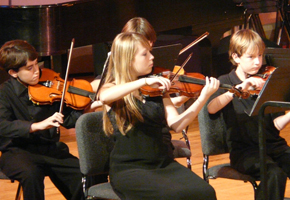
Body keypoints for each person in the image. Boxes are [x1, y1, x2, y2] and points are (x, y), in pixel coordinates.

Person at [98, 32, 219, 200]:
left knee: (205, 192)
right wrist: (143, 82)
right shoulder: (113, 88)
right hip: (130, 170)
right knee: (174, 195)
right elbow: (103, 97)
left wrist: (202, 98)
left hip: (163, 164)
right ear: (128, 59)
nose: (152, 57)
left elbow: (177, 125)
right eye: (145, 54)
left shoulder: (157, 88)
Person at [207, 29, 290, 200]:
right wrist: (239, 89)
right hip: (245, 152)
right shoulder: (225, 82)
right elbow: (211, 108)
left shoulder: (268, 80)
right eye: (251, 57)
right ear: (236, 57)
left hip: (274, 146)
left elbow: (275, 125)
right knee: (274, 174)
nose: (258, 62)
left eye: (260, 55)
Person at [0, 40, 85, 200]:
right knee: (31, 174)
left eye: (36, 64)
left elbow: (67, 119)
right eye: (29, 68)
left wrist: (87, 107)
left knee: (83, 173)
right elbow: (2, 126)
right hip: (17, 152)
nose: (37, 72)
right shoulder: (4, 93)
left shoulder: (48, 84)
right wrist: (36, 126)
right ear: (13, 73)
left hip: (50, 149)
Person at [90, 17, 188, 109]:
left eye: (150, 42)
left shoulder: (151, 58)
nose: (151, 55)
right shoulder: (120, 64)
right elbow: (98, 87)